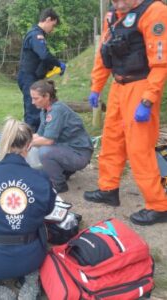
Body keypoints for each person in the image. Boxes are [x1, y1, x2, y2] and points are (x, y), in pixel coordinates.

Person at [84, 0, 167, 226]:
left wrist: (148, 99)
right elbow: (103, 54)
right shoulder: (112, 15)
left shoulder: (154, 11)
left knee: (140, 148)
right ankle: (108, 189)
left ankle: (158, 205)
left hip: (141, 86)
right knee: (111, 140)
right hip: (118, 87)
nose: (116, 3)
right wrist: (96, 87)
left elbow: (161, 63)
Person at [0, 118, 56, 300]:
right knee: (39, 233)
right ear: (29, 146)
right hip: (30, 256)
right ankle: (31, 281)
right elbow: (47, 210)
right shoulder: (40, 177)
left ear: (3, 142)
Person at [30, 80, 93, 193]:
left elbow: (48, 140)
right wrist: (21, 139)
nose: (32, 102)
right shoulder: (45, 111)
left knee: (44, 151)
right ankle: (65, 172)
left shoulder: (57, 111)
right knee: (37, 147)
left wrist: (26, 143)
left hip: (79, 154)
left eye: (35, 98)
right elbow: (39, 135)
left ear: (47, 96)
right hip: (69, 149)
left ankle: (59, 184)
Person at [18, 8, 66, 133]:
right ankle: (29, 146)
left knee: (37, 111)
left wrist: (52, 67)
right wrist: (58, 63)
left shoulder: (37, 34)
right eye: (53, 25)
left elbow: (41, 59)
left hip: (33, 77)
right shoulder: (36, 35)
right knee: (33, 113)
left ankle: (35, 142)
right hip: (29, 78)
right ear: (48, 19)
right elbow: (44, 55)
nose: (53, 29)